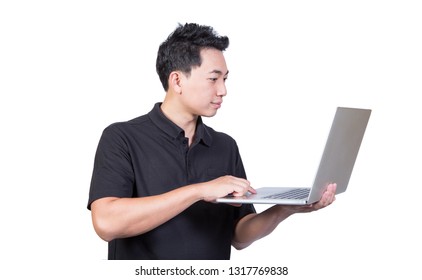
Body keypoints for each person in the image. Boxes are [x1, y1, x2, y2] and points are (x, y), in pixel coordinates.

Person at [87, 23, 336, 260]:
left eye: (225, 79)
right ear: (177, 81)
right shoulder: (122, 137)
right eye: (213, 78)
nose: (223, 90)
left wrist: (285, 208)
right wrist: (199, 190)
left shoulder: (225, 146)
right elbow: (107, 223)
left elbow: (238, 236)